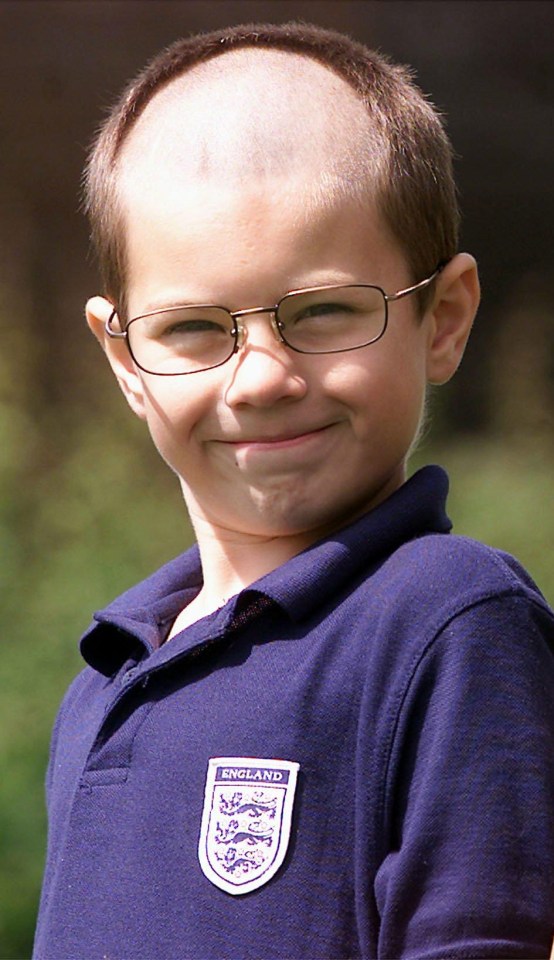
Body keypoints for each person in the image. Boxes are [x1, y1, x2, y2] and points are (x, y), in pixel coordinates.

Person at [33, 21, 554, 960]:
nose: (261, 377)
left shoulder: (450, 620)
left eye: (322, 313)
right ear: (126, 360)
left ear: (444, 319)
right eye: (194, 328)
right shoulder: (102, 680)